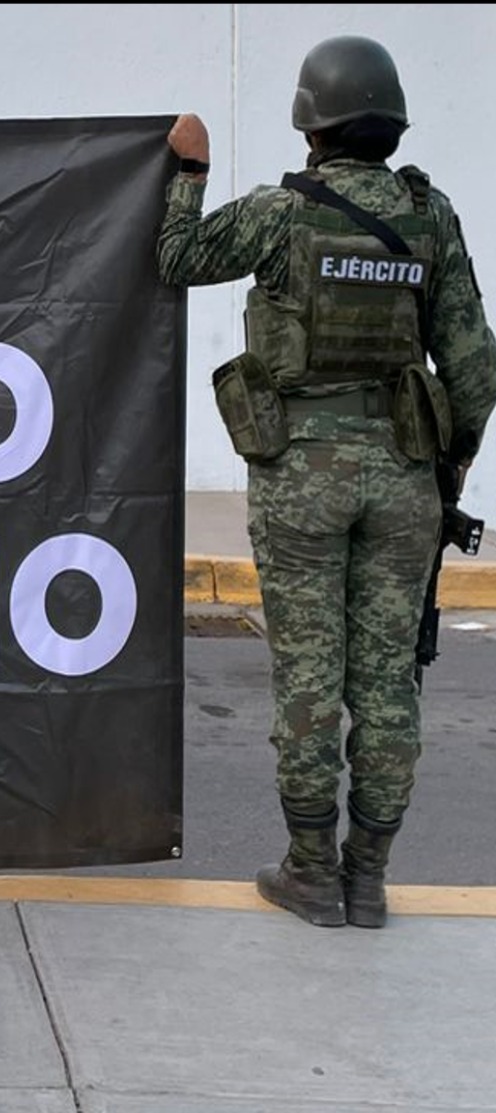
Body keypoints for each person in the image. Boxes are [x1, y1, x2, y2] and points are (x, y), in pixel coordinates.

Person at [158, 35, 496, 928]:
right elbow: (474, 368)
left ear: (312, 125)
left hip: (300, 477)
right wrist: (451, 462)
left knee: (309, 681)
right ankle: (368, 878)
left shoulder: (282, 213)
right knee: (387, 684)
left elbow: (176, 258)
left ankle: (311, 872)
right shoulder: (429, 216)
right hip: (406, 478)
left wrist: (190, 171)